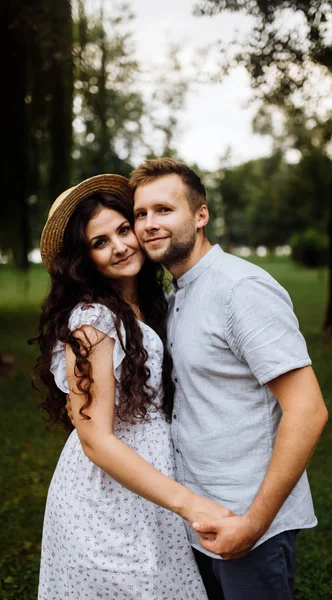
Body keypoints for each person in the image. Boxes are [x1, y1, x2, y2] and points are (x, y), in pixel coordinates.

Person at [129, 158, 329, 600]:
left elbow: (308, 409)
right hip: (195, 516)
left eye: (164, 209)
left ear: (200, 216)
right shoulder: (175, 295)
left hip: (248, 522)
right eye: (140, 214)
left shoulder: (241, 290)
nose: (148, 224)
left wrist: (253, 525)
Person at [32, 174, 231, 599]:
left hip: (151, 486)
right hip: (105, 498)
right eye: (100, 242)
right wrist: (189, 503)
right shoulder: (92, 321)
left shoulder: (148, 303)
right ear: (83, 259)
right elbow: (96, 441)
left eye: (123, 230)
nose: (120, 246)